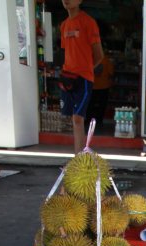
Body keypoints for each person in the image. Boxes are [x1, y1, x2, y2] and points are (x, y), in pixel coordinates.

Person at [60, 0, 104, 154]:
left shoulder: (88, 22)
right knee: (73, 119)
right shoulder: (64, 25)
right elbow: (68, 52)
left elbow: (99, 55)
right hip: (68, 77)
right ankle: (77, 158)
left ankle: (78, 159)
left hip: (84, 78)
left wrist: (86, 70)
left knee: (78, 118)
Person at [85, 50, 114, 131]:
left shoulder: (90, 59)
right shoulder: (106, 59)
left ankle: (88, 120)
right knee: (102, 105)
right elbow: (111, 74)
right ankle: (99, 120)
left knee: (90, 104)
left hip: (92, 86)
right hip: (104, 86)